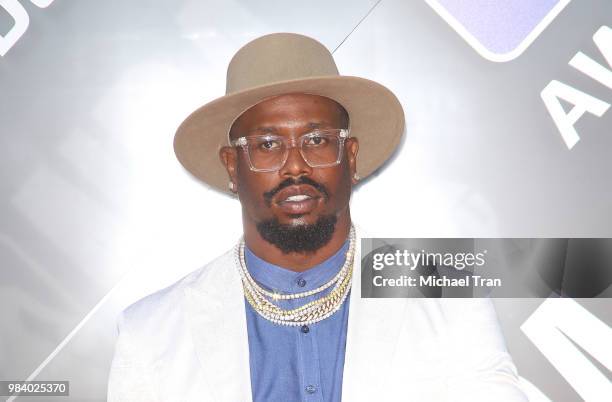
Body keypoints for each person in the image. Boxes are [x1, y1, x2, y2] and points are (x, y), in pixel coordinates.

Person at [107, 33, 527, 402]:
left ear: (352, 156)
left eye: (317, 140)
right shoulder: (151, 334)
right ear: (232, 167)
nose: (295, 167)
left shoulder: (447, 296)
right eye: (267, 144)